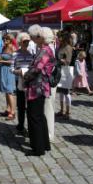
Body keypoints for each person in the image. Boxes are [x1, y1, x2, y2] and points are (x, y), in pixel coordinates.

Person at [24, 25, 55, 156]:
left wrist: (25, 75)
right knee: (40, 116)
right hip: (39, 86)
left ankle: (38, 148)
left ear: (43, 37)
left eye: (39, 35)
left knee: (35, 117)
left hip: (38, 87)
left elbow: (37, 68)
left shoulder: (45, 51)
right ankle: (44, 144)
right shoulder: (44, 49)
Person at [12, 33, 33, 134]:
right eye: (25, 41)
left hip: (29, 82)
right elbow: (11, 69)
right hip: (19, 81)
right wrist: (18, 72)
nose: (27, 43)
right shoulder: (15, 54)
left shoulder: (31, 54)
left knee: (29, 106)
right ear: (20, 42)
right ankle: (21, 125)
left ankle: (30, 126)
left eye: (28, 41)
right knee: (20, 105)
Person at [0, 33, 16, 120]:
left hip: (9, 71)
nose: (5, 41)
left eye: (7, 39)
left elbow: (14, 62)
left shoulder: (13, 48)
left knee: (9, 91)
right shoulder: (3, 47)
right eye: (4, 39)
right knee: (6, 91)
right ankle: (8, 109)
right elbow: (1, 57)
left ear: (11, 40)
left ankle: (13, 111)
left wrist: (2, 61)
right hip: (3, 70)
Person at [56, 32, 73, 119]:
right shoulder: (60, 47)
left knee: (66, 92)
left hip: (66, 71)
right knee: (60, 92)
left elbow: (68, 61)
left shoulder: (68, 47)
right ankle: (62, 110)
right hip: (60, 70)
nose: (58, 39)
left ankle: (68, 111)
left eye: (60, 37)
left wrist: (61, 60)